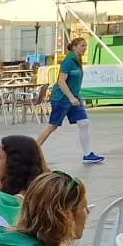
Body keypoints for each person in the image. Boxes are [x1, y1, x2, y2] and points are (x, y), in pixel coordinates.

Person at [37, 35, 101, 164]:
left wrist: (74, 97)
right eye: (82, 46)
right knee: (52, 126)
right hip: (62, 99)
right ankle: (32, 150)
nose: (84, 48)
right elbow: (61, 81)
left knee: (83, 122)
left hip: (75, 99)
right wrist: (71, 97)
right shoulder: (68, 61)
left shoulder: (77, 60)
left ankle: (87, 154)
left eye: (85, 46)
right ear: (74, 47)